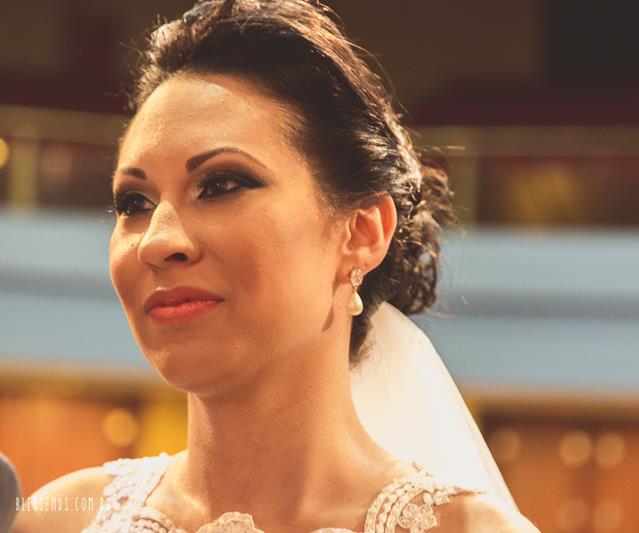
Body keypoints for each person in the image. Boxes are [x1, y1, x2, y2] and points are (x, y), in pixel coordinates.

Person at [13, 1, 539, 532]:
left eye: (221, 184)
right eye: (134, 203)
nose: (157, 241)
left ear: (361, 233)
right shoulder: (58, 520)